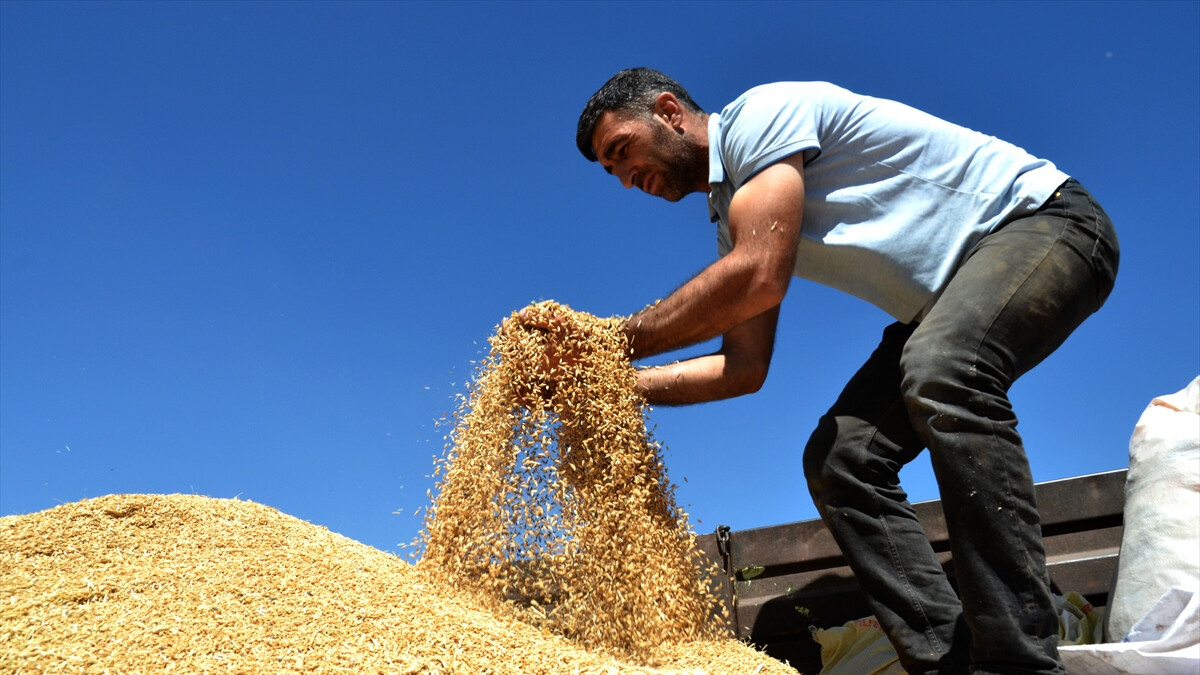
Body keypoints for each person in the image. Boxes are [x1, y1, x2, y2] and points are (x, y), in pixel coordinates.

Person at [534, 67, 1119, 675]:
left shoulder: (759, 117)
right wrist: (596, 383)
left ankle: (1017, 661)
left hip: (1044, 225)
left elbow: (760, 272)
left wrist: (605, 344)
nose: (627, 180)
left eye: (622, 151)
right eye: (612, 172)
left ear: (669, 111)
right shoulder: (732, 209)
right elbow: (742, 368)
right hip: (943, 303)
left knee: (944, 369)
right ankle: (948, 664)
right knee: (843, 460)